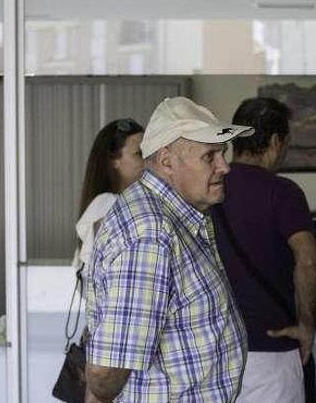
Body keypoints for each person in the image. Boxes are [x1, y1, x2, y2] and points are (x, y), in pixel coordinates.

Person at [83, 97, 253, 403]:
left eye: (223, 153)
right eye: (210, 156)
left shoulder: (173, 216)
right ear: (165, 162)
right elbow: (104, 374)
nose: (224, 167)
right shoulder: (151, 234)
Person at [210, 97, 316, 403]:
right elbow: (309, 261)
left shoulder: (206, 189)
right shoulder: (283, 193)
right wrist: (307, 325)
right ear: (275, 141)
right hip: (272, 353)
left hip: (215, 354)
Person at [73, 117, 145, 276]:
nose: (147, 160)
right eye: (139, 153)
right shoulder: (107, 205)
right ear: (114, 160)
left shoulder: (121, 203)